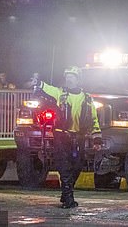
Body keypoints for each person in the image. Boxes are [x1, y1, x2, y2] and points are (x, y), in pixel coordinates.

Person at [32, 66, 102, 208]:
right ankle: (69, 198)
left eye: (72, 77)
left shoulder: (87, 99)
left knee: (76, 167)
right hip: (62, 136)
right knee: (64, 167)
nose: (69, 79)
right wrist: (38, 83)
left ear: (78, 79)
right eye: (67, 77)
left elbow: (94, 120)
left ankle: (66, 193)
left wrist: (97, 139)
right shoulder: (60, 94)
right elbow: (48, 88)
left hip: (79, 138)